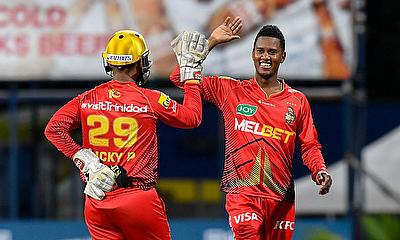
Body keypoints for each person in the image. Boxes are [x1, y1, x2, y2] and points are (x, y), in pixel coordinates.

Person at [169, 17, 333, 240]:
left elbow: (310, 145)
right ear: (253, 54)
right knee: (248, 235)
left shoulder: (297, 101)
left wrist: (319, 170)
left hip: (280, 198)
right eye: (260, 51)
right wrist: (211, 43)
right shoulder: (230, 90)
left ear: (282, 57)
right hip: (242, 194)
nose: (265, 57)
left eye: (272, 52)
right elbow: (179, 77)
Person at [45, 29, 205, 239]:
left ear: (108, 63)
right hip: (138, 199)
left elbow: (54, 129)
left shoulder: (87, 98)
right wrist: (192, 77)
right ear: (139, 64)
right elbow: (192, 118)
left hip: (97, 200)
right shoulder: (150, 98)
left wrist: (87, 161)